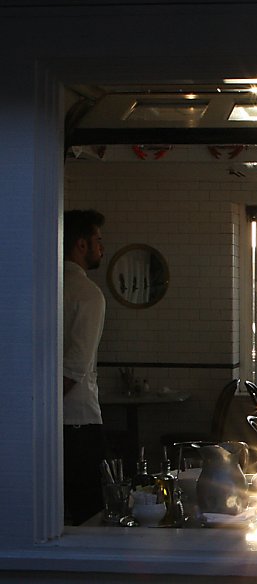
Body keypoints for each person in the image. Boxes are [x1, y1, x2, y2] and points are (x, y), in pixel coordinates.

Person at [63, 209, 108, 525]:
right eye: (98, 240)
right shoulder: (87, 294)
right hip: (77, 417)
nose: (101, 248)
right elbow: (75, 368)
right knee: (87, 510)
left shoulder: (43, 287)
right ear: (81, 244)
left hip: (49, 419)